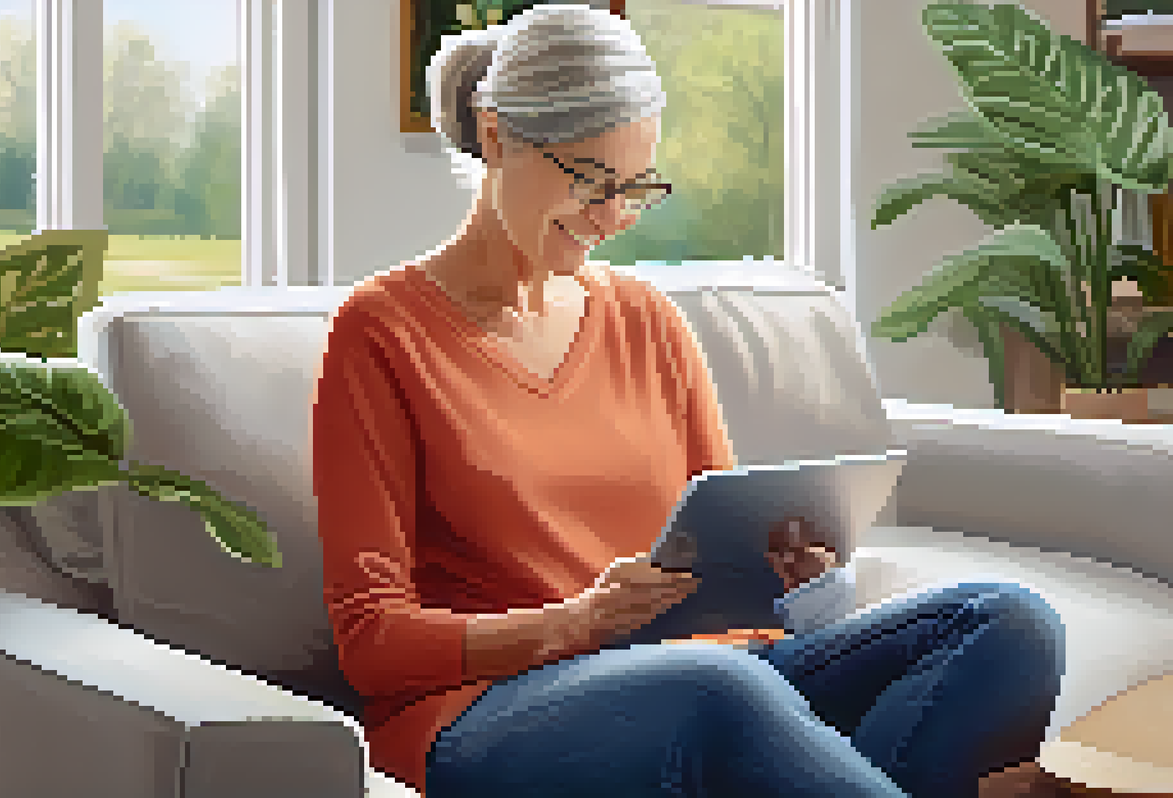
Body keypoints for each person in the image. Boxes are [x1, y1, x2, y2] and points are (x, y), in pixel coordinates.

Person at [311, 5, 1066, 797]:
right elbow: (372, 641)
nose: (613, 218)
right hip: (490, 712)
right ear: (496, 135)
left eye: (635, 187)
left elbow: (723, 552)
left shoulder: (647, 321)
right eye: (591, 181)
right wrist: (577, 623)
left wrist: (797, 579)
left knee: (1005, 623)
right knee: (717, 690)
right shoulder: (382, 334)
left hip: (702, 674)